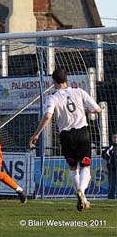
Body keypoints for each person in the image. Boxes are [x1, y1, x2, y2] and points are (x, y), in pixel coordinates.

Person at [29, 68, 101, 211]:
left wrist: (36, 134)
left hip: (66, 136)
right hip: (82, 133)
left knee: (73, 167)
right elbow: (97, 109)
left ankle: (82, 198)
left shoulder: (53, 97)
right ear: (67, 79)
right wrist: (83, 110)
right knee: (86, 166)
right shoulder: (79, 91)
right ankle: (82, 192)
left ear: (53, 81)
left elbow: (48, 116)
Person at [101, 134, 117, 199]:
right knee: (112, 185)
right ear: (112, 139)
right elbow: (104, 159)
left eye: (116, 138)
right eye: (114, 137)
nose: (115, 139)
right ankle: (111, 198)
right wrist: (104, 168)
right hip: (112, 169)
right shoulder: (108, 149)